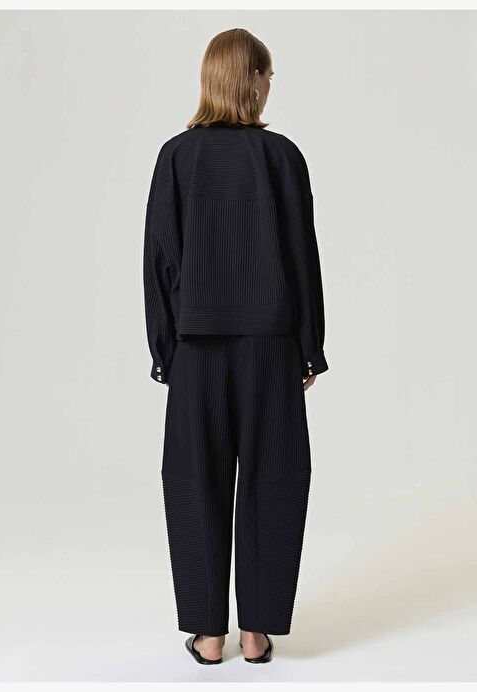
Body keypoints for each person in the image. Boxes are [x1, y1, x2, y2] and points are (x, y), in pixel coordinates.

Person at [143, 28, 329, 665]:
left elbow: (161, 259)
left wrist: (165, 349)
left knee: (194, 482)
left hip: (196, 348)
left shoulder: (177, 157)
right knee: (274, 479)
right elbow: (302, 259)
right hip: (271, 347)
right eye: (267, 76)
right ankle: (256, 632)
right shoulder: (282, 156)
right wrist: (310, 347)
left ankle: (207, 635)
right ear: (249, 80)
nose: (270, 86)